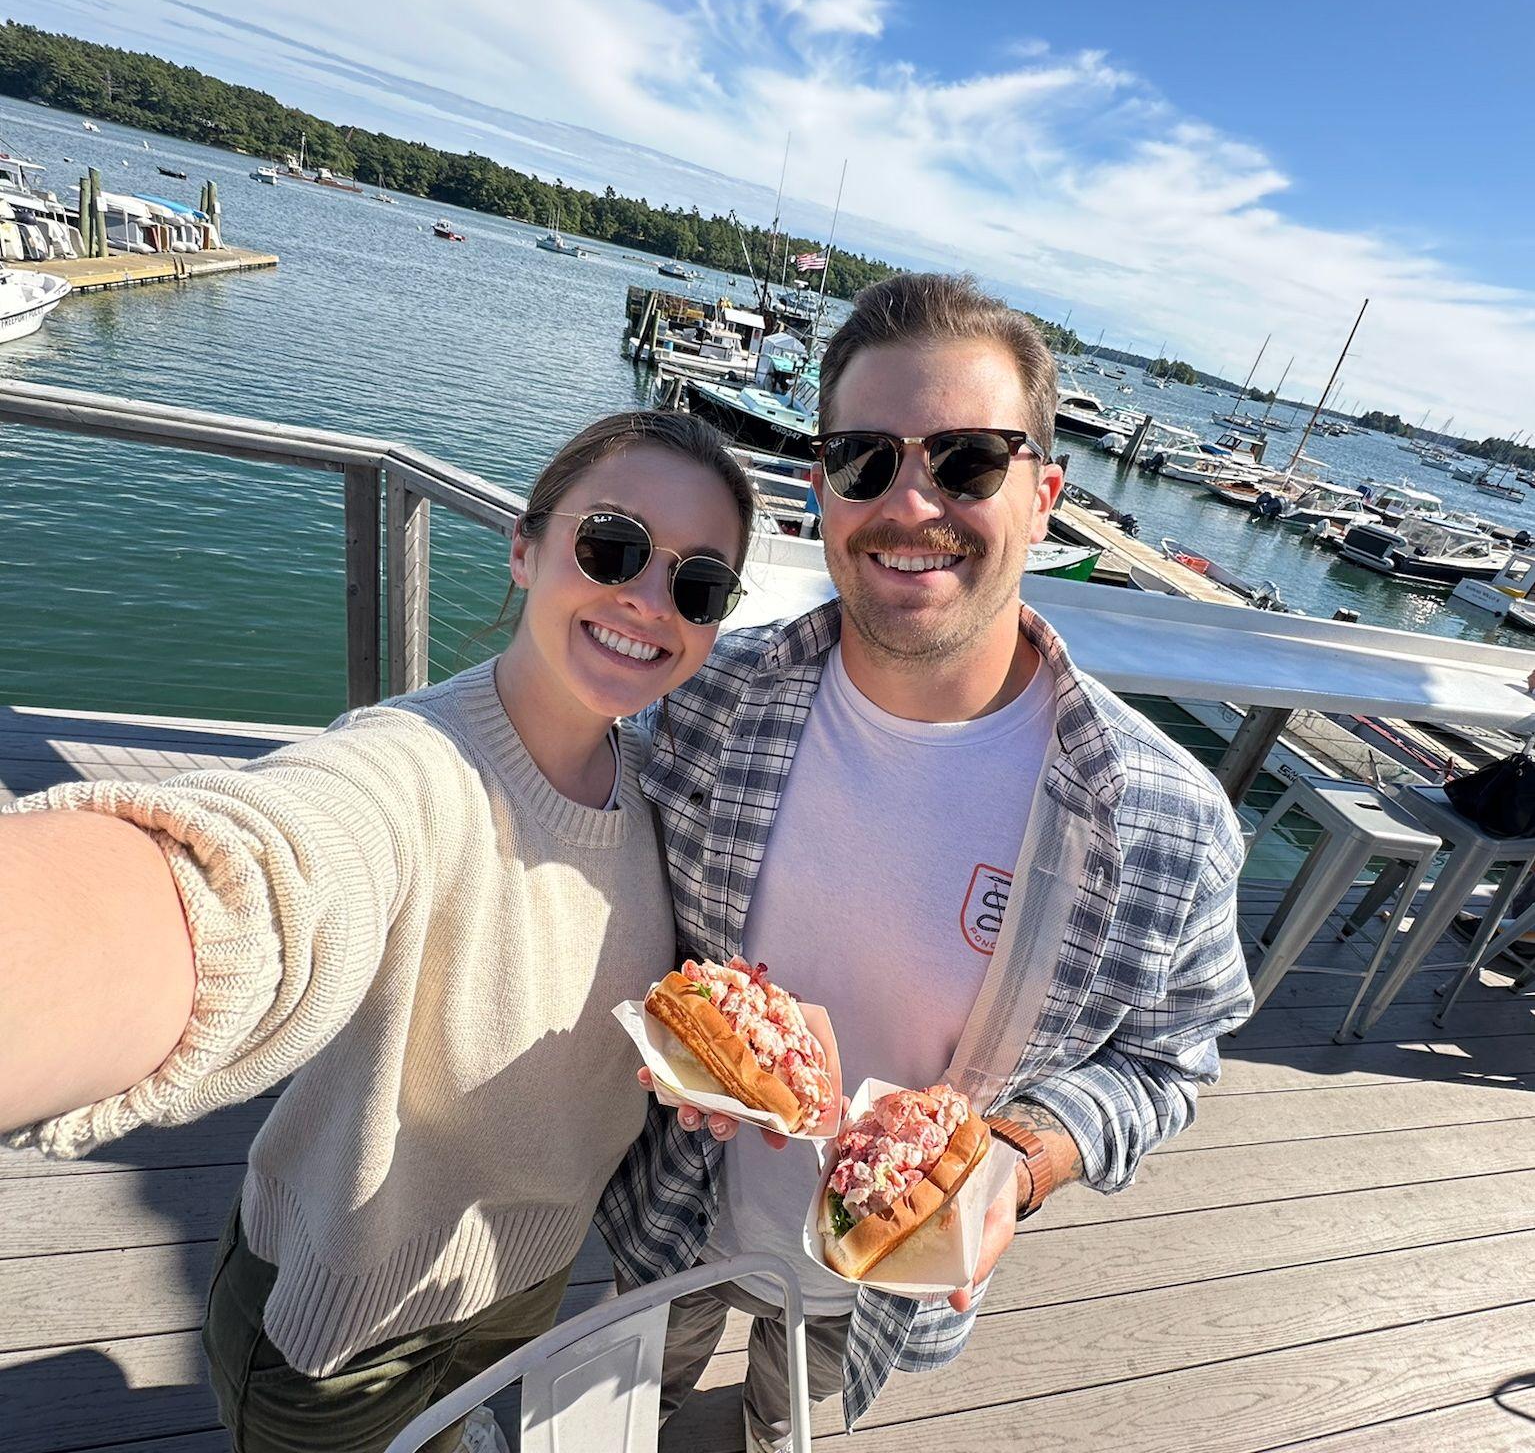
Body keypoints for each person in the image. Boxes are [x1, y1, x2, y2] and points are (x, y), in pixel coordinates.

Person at [0, 411, 755, 1453]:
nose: (646, 598)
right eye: (611, 546)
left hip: (518, 1298)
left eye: (698, 583)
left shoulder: (655, 796)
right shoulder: (411, 767)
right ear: (526, 546)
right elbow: (276, 873)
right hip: (334, 1335)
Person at [598, 275, 1256, 1449]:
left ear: (1042, 495)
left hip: (882, 1291)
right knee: (612, 1413)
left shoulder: (1163, 821)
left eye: (964, 462)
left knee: (780, 1432)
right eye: (864, 459)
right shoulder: (706, 697)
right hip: (671, 1207)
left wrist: (1022, 1152)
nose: (910, 503)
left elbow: (1167, 1060)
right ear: (820, 490)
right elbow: (570, 819)